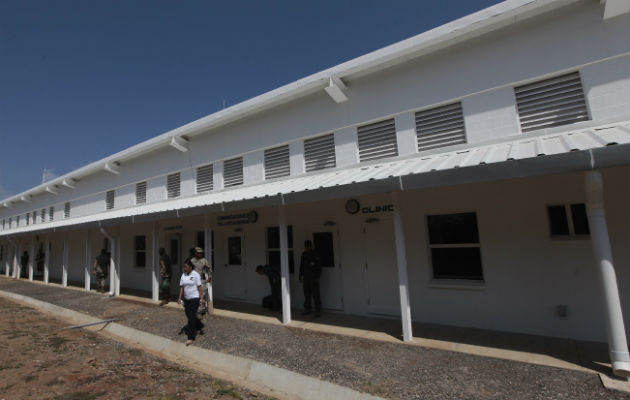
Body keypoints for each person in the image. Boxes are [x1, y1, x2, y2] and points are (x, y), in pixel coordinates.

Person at [177, 258, 205, 346]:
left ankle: (191, 337)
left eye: (186, 267)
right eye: (184, 267)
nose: (184, 268)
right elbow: (182, 287)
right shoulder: (183, 275)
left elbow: (199, 287)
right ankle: (199, 326)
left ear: (190, 267)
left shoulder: (195, 275)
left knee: (191, 317)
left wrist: (202, 297)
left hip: (194, 298)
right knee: (188, 315)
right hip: (186, 299)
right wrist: (179, 297)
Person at [299, 240, 322, 316]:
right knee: (306, 294)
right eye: (306, 246)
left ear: (311, 246)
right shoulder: (304, 254)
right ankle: (307, 309)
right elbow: (301, 266)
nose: (307, 247)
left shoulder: (315, 254)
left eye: (308, 246)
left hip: (313, 277)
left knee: (315, 294)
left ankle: (318, 310)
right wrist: (300, 275)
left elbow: (319, 266)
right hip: (306, 277)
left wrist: (318, 276)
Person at [190, 247, 212, 315]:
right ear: (195, 253)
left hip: (201, 279)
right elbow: (187, 269)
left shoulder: (204, 260)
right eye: (198, 253)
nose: (200, 254)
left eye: (201, 253)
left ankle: (200, 311)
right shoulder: (192, 260)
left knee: (202, 294)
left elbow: (209, 269)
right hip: (193, 280)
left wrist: (209, 277)